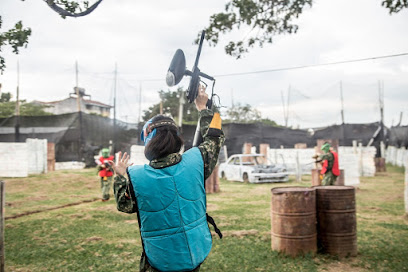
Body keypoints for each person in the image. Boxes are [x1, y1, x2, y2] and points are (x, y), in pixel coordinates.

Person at [110, 85, 225, 272]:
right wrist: (203, 108)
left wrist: (120, 176)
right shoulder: (197, 160)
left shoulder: (137, 177)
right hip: (195, 251)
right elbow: (215, 137)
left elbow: (124, 205)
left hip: (161, 260)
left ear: (149, 141)